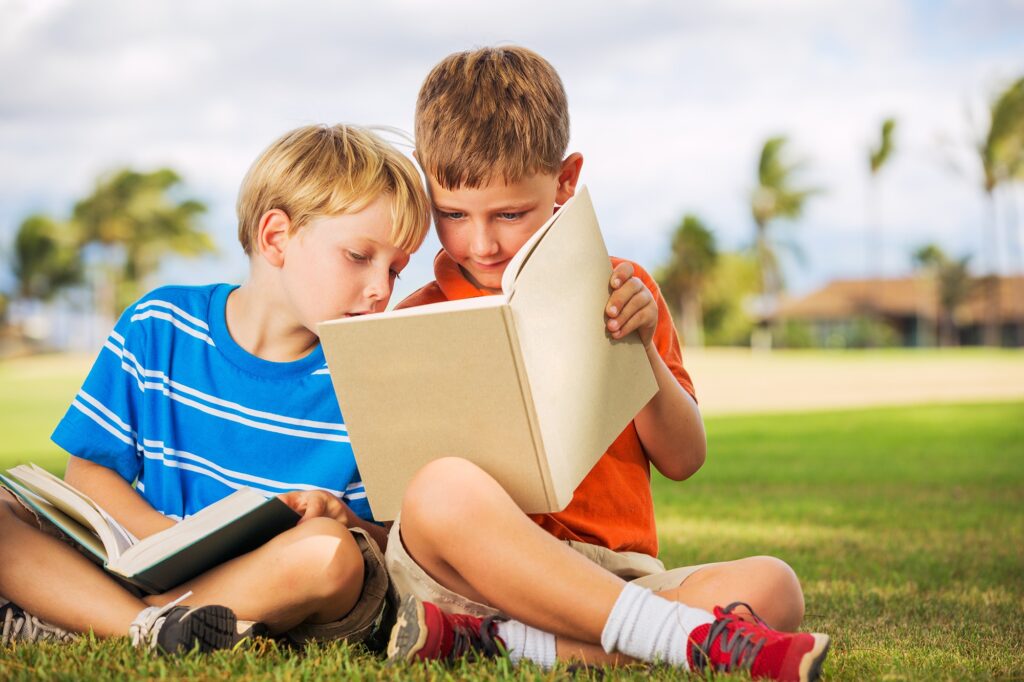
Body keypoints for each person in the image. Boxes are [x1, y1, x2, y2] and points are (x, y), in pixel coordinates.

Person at [384, 47, 830, 681]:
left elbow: (684, 459)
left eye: (509, 214)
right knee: (438, 489)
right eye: (453, 215)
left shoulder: (623, 289)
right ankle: (666, 638)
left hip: (615, 573)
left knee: (774, 586)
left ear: (566, 181)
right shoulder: (416, 316)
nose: (480, 243)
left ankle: (505, 645)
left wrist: (639, 347)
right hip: (477, 577)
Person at [0, 124, 430, 653]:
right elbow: (89, 471)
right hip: (148, 555)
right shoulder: (161, 324)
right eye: (360, 257)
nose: (380, 289)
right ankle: (155, 627)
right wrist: (165, 540)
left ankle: (103, 618)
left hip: (281, 578)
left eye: (396, 270)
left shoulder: (369, 379)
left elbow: (392, 547)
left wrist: (347, 520)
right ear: (276, 238)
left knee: (329, 554)